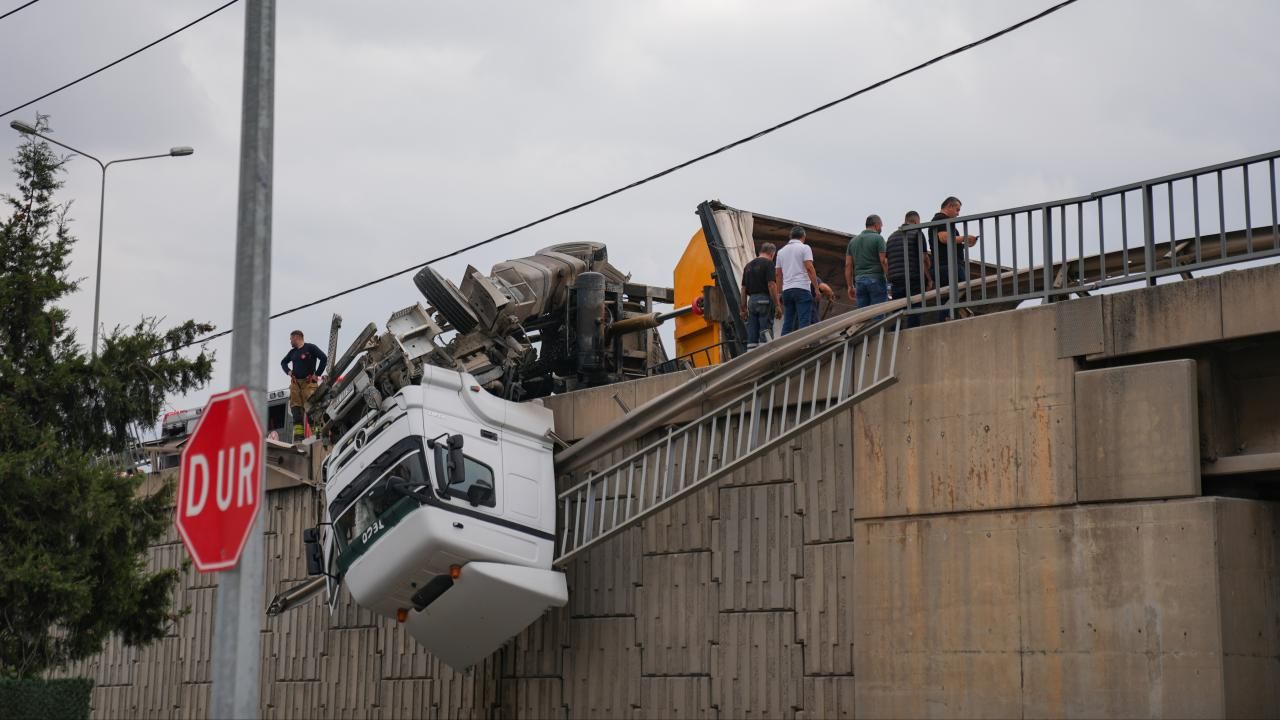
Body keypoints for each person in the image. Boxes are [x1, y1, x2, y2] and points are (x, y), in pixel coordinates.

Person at [930, 196, 978, 321]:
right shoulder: (940, 219)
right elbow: (943, 238)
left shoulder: (943, 221)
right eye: (957, 210)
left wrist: (963, 242)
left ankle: (947, 319)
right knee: (959, 291)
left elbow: (948, 241)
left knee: (949, 296)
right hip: (948, 266)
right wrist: (964, 238)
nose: (958, 214)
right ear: (949, 206)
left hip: (946, 265)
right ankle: (948, 318)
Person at [885, 210, 933, 328]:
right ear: (916, 221)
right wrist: (929, 278)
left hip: (896, 279)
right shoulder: (917, 233)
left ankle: (895, 333)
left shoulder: (891, 237)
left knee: (897, 310)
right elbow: (923, 259)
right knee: (914, 308)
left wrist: (889, 279)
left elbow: (887, 261)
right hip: (913, 277)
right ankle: (912, 332)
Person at [280, 330, 328, 440]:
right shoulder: (292, 352)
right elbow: (283, 362)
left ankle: (318, 435)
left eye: (291, 339)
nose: (290, 341)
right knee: (296, 410)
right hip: (296, 385)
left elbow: (324, 358)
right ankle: (299, 437)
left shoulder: (310, 348)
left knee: (311, 409)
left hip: (308, 384)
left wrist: (317, 374)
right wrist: (289, 372)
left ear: (297, 337)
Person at [775, 226, 821, 335]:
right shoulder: (805, 248)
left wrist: (779, 293)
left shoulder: (781, 252)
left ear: (790, 236)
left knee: (788, 323)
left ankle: (784, 344)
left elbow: (778, 274)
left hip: (787, 291)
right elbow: (809, 268)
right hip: (802, 289)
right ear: (803, 237)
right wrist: (816, 288)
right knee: (804, 322)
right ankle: (804, 344)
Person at [739, 243, 782, 349]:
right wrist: (777, 305)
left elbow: (743, 289)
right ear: (772, 254)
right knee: (765, 331)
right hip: (764, 301)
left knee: (752, 332)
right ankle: (767, 354)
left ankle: (751, 354)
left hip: (752, 302)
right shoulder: (769, 264)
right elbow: (771, 285)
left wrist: (743, 309)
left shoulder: (748, 266)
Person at [844, 214, 889, 312]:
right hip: (876, 279)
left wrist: (850, 286)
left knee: (863, 315)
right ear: (876, 225)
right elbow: (883, 261)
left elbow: (848, 265)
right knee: (878, 313)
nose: (881, 228)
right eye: (881, 226)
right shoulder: (878, 238)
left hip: (859, 281)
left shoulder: (853, 241)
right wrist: (889, 278)